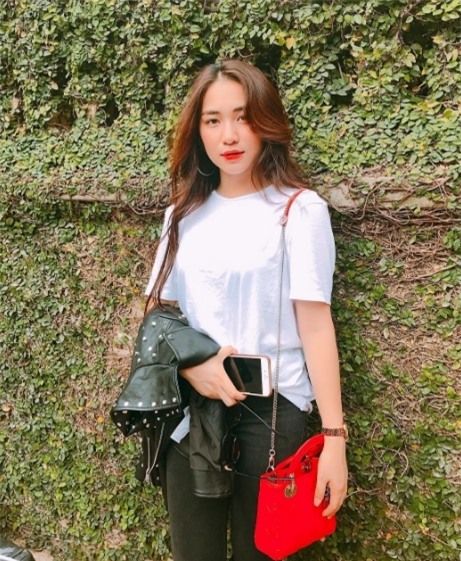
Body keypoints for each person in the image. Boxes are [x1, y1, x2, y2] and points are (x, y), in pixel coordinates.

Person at [144, 59, 348, 561]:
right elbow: (160, 313)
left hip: (273, 412)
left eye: (243, 116)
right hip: (194, 411)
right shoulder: (182, 215)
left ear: (265, 122)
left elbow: (315, 326)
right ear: (198, 131)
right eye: (213, 120)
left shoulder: (299, 209)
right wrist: (192, 368)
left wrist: (334, 439)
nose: (229, 135)